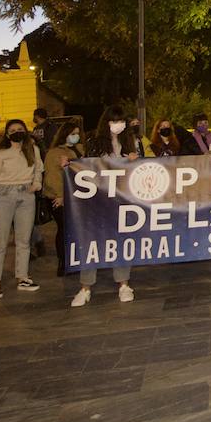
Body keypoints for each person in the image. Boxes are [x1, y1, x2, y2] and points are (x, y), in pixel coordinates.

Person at [73, 106, 139, 304]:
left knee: (121, 241)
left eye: (121, 121)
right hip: (98, 199)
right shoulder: (94, 142)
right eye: (114, 121)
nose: (118, 125)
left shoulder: (130, 142)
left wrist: (133, 160)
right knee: (92, 241)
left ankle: (124, 284)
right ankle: (85, 287)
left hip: (122, 198)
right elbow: (85, 166)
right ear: (106, 122)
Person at [0, 118, 46, 299]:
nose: (16, 132)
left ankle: (23, 276)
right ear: (7, 134)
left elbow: (39, 170)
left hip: (26, 196)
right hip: (4, 196)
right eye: (12, 129)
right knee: (0, 241)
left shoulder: (32, 150)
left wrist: (36, 184)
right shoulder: (0, 155)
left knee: (24, 239)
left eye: (20, 129)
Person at [43, 121, 86, 276]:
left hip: (77, 196)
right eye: (72, 133)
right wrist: (60, 195)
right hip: (59, 197)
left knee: (75, 229)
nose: (75, 136)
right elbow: (52, 177)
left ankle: (76, 259)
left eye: (77, 133)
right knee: (63, 229)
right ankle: (64, 261)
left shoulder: (80, 149)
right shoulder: (54, 153)